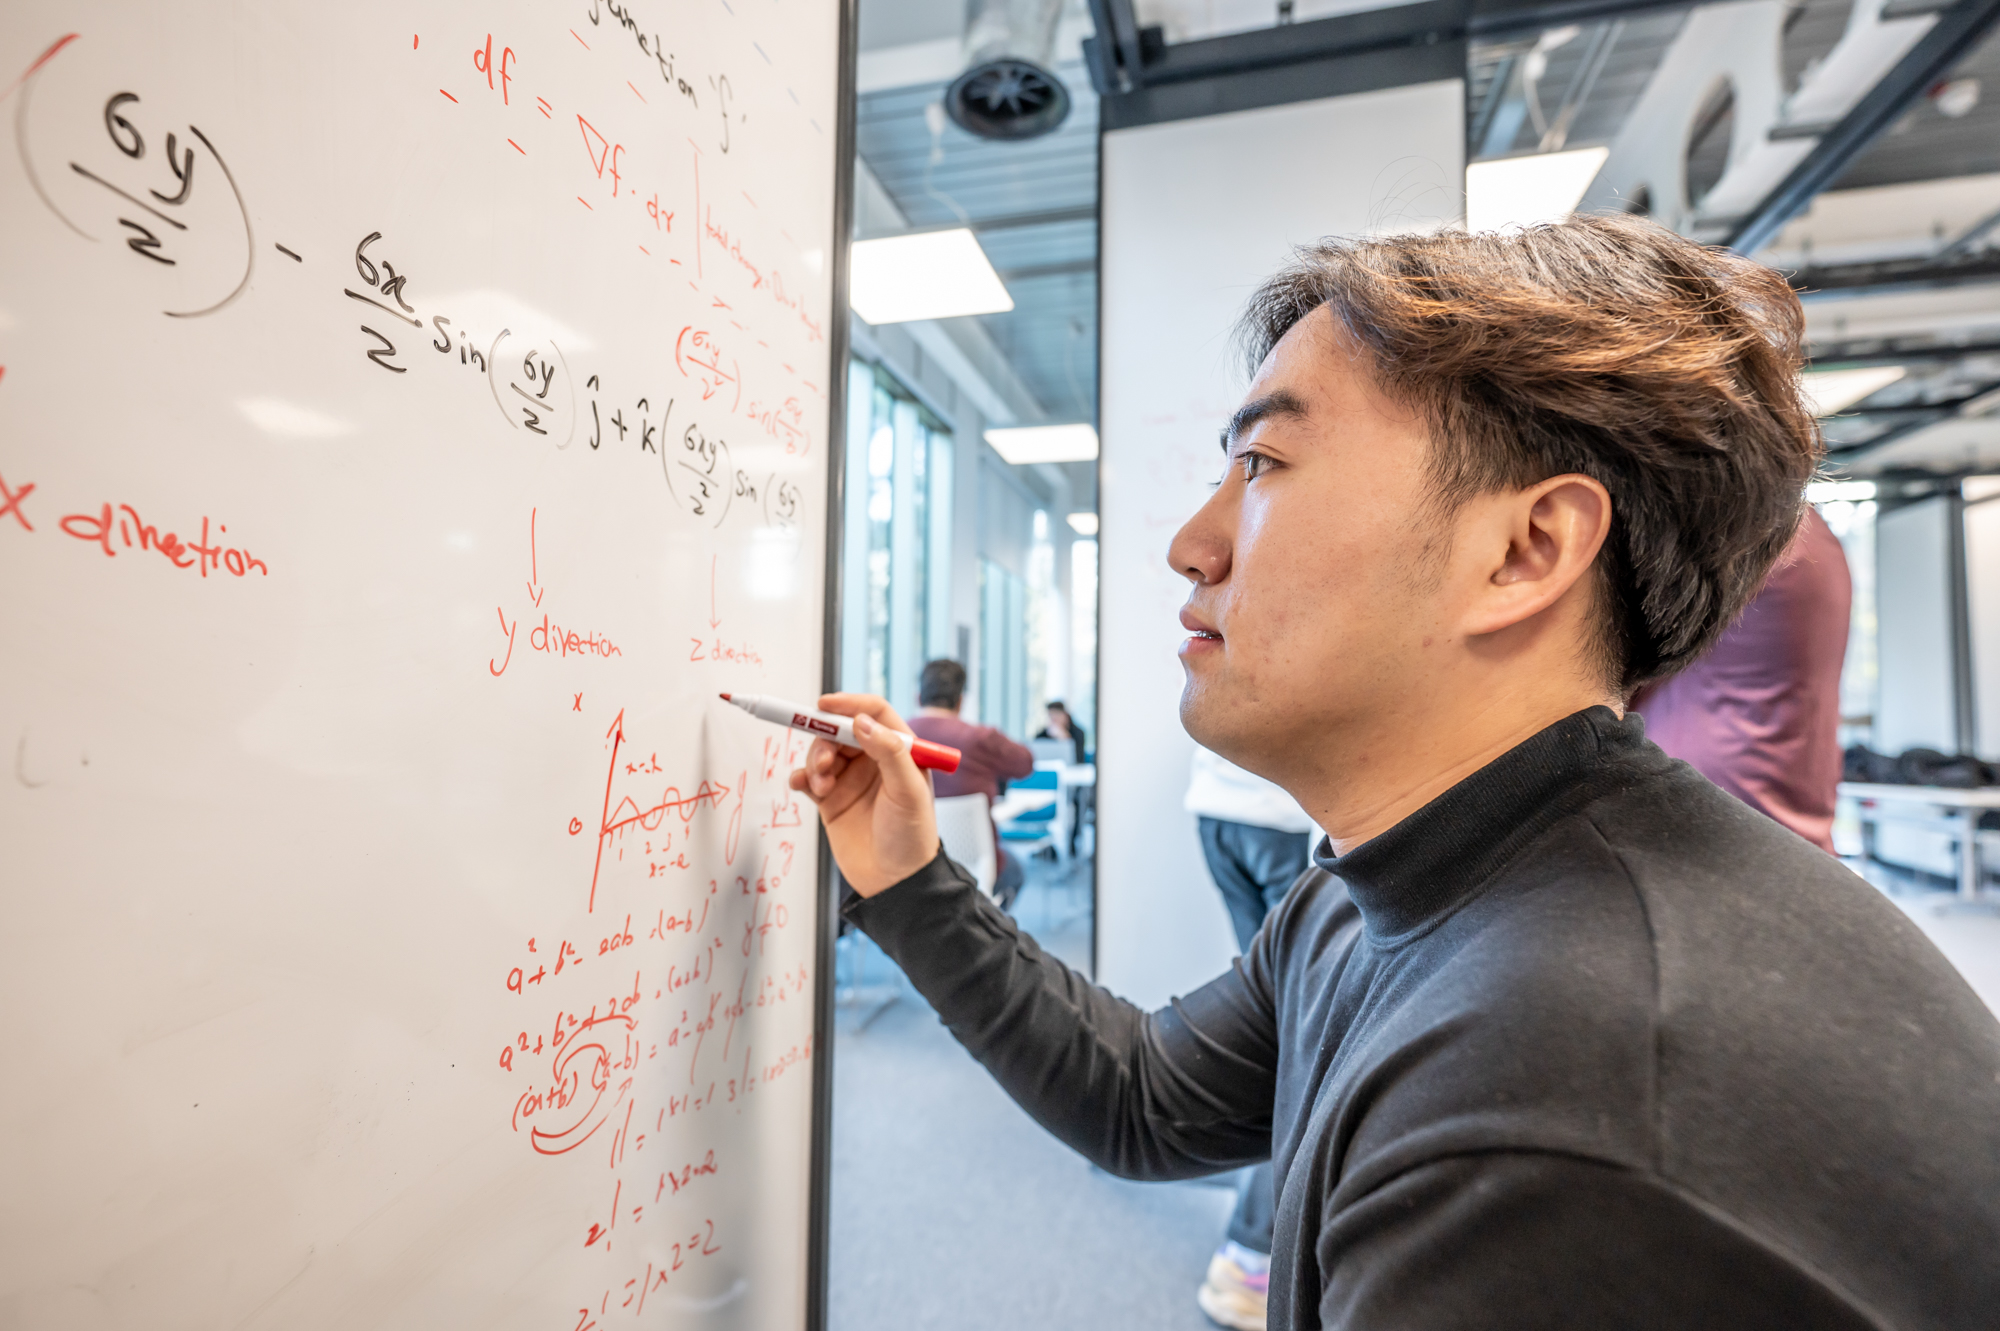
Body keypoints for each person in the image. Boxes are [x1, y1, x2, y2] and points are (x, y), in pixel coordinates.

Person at [792, 216, 2000, 1328]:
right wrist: (907, 873)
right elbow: (1145, 1098)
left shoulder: (1556, 1114)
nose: (1189, 545)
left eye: (1263, 464)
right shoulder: (1396, 877)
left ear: (1523, 549)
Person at [1185, 747, 1315, 1330]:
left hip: (1217, 815)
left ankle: (1256, 1243)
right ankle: (1251, 1255)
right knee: (1299, 1031)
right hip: (1274, 819)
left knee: (1283, 1014)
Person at [1633, 505, 1851, 852]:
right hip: (1788, 806)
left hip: (1714, 812)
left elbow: (1622, 672)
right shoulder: (1815, 537)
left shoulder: (1742, 535)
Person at [907, 659, 1034, 907]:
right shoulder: (981, 738)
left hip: (911, 867)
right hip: (975, 871)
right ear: (960, 701)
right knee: (1015, 871)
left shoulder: (898, 736)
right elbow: (1025, 764)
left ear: (918, 697)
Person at [1035, 700, 1087, 764]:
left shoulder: (1078, 733)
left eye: (1057, 715)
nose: (1054, 719)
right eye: (1051, 715)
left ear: (1065, 715)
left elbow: (1078, 758)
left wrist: (1064, 737)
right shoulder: (1043, 734)